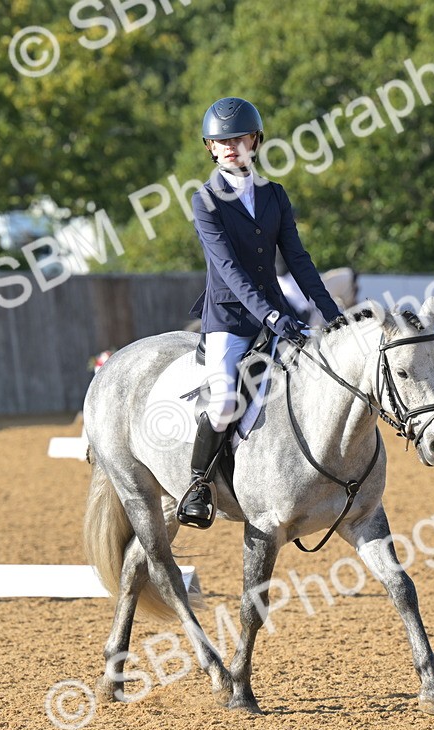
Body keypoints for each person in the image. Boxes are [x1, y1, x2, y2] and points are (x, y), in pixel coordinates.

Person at [179, 96, 343, 528]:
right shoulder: (205, 201)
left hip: (279, 314)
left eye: (240, 138)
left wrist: (332, 314)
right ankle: (198, 485)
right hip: (230, 319)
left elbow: (298, 259)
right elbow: (228, 269)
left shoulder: (275, 195)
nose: (231, 147)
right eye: (222, 141)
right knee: (224, 404)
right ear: (211, 148)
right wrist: (271, 316)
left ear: (255, 141)